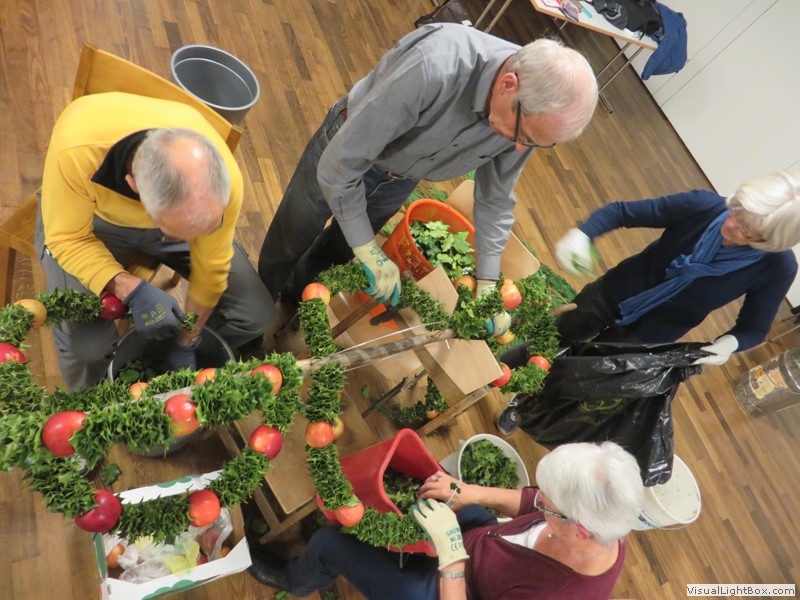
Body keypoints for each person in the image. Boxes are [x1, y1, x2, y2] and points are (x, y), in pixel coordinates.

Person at [258, 23, 598, 324]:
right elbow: (339, 167)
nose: (520, 149)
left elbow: (494, 199)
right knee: (292, 236)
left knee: (338, 250)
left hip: (402, 177)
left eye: (535, 143)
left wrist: (488, 281)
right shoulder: (434, 66)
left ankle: (293, 303)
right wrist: (368, 250)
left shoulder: (526, 119)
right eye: (523, 136)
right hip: (348, 144)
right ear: (509, 85)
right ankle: (253, 313)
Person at [496, 169, 800, 434]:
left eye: (746, 229)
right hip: (612, 293)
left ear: (770, 242)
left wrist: (728, 344)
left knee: (580, 377)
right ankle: (495, 372)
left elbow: (754, 327)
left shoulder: (778, 267)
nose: (731, 223)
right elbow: (620, 213)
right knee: (554, 336)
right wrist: (583, 233)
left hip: (648, 335)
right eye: (736, 211)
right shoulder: (703, 206)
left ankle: (525, 406)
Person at [37, 91, 275, 389]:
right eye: (178, 230)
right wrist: (130, 288)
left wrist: (188, 340)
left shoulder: (223, 181)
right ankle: (97, 403)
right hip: (91, 220)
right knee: (86, 352)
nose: (187, 241)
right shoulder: (77, 149)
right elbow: (67, 238)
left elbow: (212, 268)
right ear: (133, 186)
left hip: (175, 214)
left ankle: (165, 360)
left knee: (255, 314)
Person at [248, 441, 644, 600]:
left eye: (549, 505)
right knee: (434, 484)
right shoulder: (604, 516)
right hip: (481, 539)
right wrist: (469, 493)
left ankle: (295, 579)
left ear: (581, 530)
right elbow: (530, 501)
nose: (541, 503)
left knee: (330, 544)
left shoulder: (558, 594)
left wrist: (451, 554)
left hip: (449, 590)